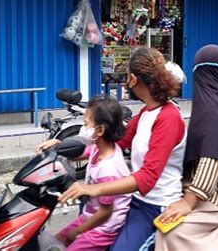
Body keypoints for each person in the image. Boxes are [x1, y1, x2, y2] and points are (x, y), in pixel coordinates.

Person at [58, 47, 186, 251]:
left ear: (133, 79)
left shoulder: (169, 117)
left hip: (155, 206)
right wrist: (61, 148)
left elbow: (148, 176)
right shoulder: (146, 112)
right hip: (133, 199)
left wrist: (92, 188)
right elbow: (114, 142)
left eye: (127, 76)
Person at [155, 44, 218, 251]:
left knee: (170, 231)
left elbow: (212, 158)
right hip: (214, 184)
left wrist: (189, 202)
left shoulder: (212, 110)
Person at [38, 95, 131, 250]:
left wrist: (78, 231)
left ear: (100, 130)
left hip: (103, 228)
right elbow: (79, 153)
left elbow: (105, 212)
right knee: (56, 242)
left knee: (66, 242)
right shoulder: (98, 148)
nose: (83, 129)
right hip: (90, 214)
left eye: (86, 124)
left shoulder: (109, 169)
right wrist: (57, 146)